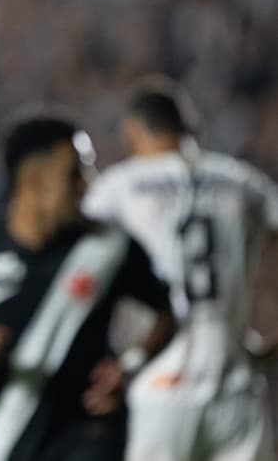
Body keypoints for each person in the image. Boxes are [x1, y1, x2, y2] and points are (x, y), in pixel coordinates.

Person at [0, 113, 177, 461]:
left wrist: (131, 364)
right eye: (76, 173)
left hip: (95, 430)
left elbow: (169, 312)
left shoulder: (109, 247)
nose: (88, 185)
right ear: (35, 180)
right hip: (17, 435)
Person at [82, 77, 278, 461]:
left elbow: (73, 257)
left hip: (159, 385)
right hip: (235, 384)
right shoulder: (241, 180)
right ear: (192, 129)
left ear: (134, 132)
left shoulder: (122, 185)